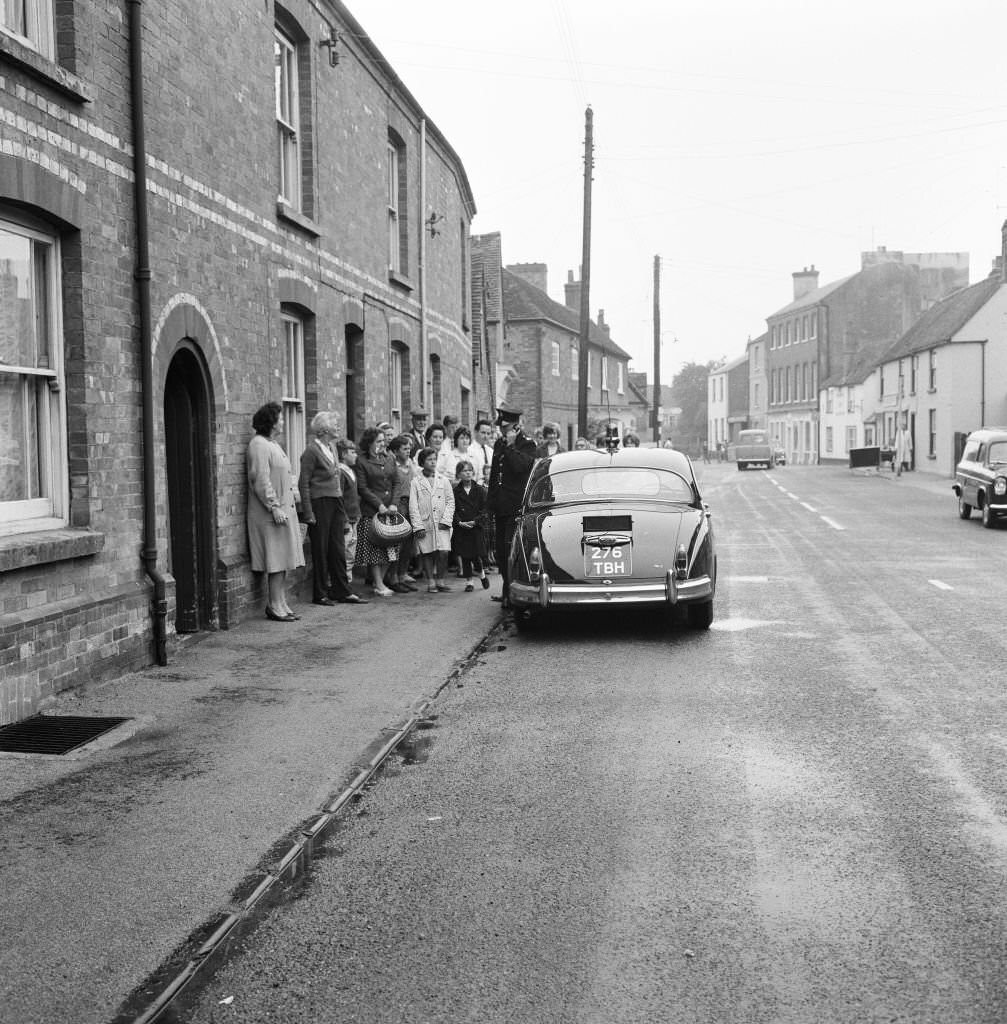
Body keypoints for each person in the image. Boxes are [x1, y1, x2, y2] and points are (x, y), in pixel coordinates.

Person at [298, 412, 364, 606]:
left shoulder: (332, 447)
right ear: (324, 429)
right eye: (335, 424)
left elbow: (336, 483)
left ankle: (342, 590)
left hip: (336, 503)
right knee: (320, 548)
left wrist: (342, 512)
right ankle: (319, 593)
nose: (338, 427)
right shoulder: (311, 451)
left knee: (337, 548)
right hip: (320, 504)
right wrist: (308, 513)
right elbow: (304, 484)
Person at [246, 401, 304, 622]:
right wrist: (274, 506)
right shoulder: (259, 444)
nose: (282, 422)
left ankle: (281, 602)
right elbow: (260, 479)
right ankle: (274, 605)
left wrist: (294, 493)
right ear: (270, 422)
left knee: (284, 560)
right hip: (269, 514)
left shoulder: (274, 444)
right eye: (279, 418)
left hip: (283, 511)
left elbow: (286, 475)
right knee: (275, 560)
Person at [486, 404, 537, 608]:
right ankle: (506, 589)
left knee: (510, 550)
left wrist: (511, 445)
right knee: (500, 551)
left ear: (515, 427)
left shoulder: (527, 444)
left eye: (505, 427)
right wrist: (489, 503)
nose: (501, 430)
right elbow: (494, 476)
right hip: (500, 506)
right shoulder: (500, 444)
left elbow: (520, 467)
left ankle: (510, 593)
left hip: (515, 507)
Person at [353, 426, 399, 598]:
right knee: (374, 550)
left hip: (391, 511)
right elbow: (363, 488)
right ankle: (379, 585)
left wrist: (394, 503)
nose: (382, 444)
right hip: (373, 511)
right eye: (378, 441)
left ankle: (378, 581)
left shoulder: (390, 458)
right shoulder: (361, 461)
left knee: (391, 549)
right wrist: (379, 505)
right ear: (369, 443)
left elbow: (396, 483)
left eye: (383, 441)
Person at [409, 446, 455, 593]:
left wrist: (446, 520)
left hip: (442, 523)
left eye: (435, 459)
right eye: (429, 459)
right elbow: (413, 506)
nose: (433, 462)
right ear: (422, 461)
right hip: (425, 522)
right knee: (428, 552)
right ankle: (431, 581)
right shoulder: (416, 482)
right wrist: (418, 526)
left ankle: (440, 580)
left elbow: (450, 501)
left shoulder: (443, 480)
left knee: (443, 551)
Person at [388, 434, 419, 591]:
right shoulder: (391, 465)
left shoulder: (411, 464)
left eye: (409, 448)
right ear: (395, 450)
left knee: (408, 542)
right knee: (397, 542)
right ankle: (392, 577)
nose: (408, 451)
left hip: (411, 503)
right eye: (405, 449)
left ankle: (402, 574)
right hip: (398, 504)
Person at [452, 460, 489, 592]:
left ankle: (482, 574)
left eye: (470, 470)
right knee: (465, 555)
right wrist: (459, 522)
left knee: (476, 555)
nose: (467, 473)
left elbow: (485, 509)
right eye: (464, 471)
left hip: (475, 527)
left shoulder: (480, 490)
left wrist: (476, 521)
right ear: (458, 474)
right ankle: (469, 582)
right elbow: (452, 509)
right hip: (462, 528)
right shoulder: (455, 492)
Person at [337, 437, 361, 588]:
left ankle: (348, 583)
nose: (356, 455)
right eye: (352, 452)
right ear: (343, 454)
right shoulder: (340, 472)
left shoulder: (350, 471)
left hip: (354, 518)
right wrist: (345, 520)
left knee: (351, 553)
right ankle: (342, 585)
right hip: (346, 521)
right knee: (345, 553)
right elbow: (339, 498)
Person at [468, 419, 495, 486]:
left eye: (488, 433)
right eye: (483, 433)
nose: (486, 436)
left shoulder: (491, 451)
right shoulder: (469, 451)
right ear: (475, 432)